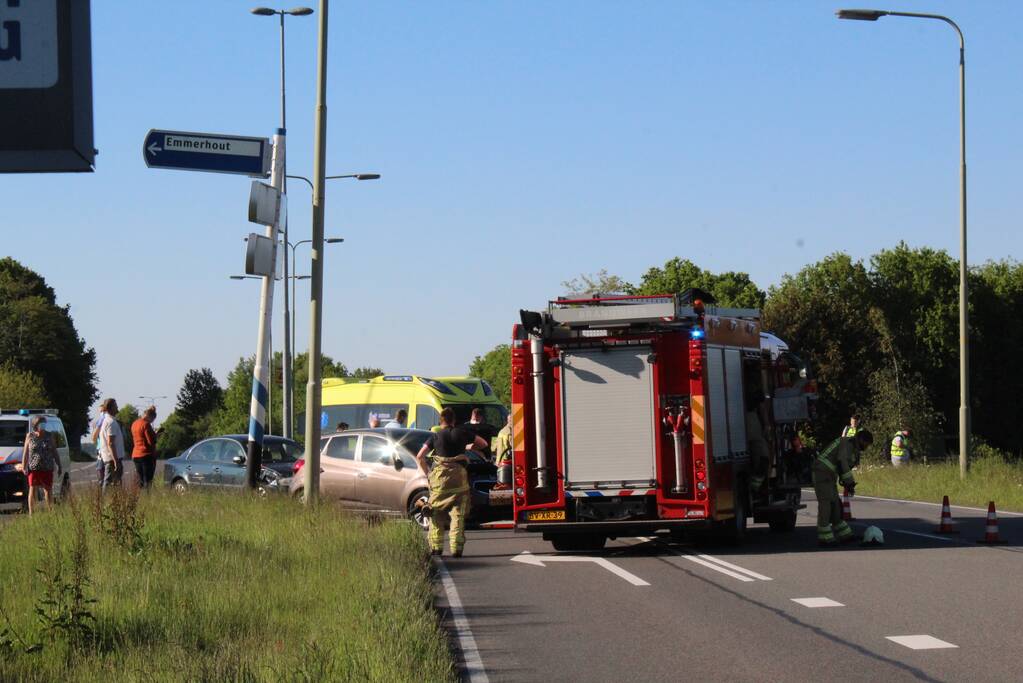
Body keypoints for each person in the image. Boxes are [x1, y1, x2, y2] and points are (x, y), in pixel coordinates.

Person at [415, 408, 488, 557]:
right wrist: (469, 447)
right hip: (459, 482)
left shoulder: (435, 436)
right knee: (458, 515)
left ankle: (436, 547)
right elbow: (484, 443)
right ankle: (456, 548)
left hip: (440, 482)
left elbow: (420, 456)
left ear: (440, 421)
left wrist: (428, 474)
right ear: (454, 420)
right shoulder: (462, 433)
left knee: (434, 513)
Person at [813, 430, 873, 547]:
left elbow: (843, 466)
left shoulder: (851, 446)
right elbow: (843, 463)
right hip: (822, 472)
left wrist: (847, 483)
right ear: (861, 440)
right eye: (866, 444)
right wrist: (849, 483)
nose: (866, 447)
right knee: (826, 504)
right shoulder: (848, 443)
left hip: (829, 475)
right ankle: (825, 538)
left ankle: (845, 535)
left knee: (836, 504)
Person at [21, 416, 60, 515]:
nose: (43, 425)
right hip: (33, 467)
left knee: (47, 490)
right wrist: (24, 466)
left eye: (44, 423)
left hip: (47, 467)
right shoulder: (30, 436)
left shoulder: (49, 435)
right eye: (41, 423)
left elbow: (54, 451)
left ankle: (51, 512)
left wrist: (59, 464)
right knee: (32, 489)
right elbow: (25, 453)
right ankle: (31, 513)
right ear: (35, 425)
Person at [745, 390, 771, 493]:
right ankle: (755, 489)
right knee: (763, 458)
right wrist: (766, 425)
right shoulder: (754, 388)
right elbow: (762, 407)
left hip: (738, 421)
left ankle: (754, 485)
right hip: (752, 420)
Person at [98, 398, 125, 490]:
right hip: (112, 459)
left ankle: (114, 500)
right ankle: (105, 500)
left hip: (111, 458)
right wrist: (116, 461)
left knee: (114, 483)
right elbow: (111, 443)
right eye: (115, 405)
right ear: (111, 408)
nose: (117, 407)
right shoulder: (111, 422)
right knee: (109, 481)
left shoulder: (108, 421)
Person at [131, 406, 159, 489]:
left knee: (140, 480)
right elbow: (150, 441)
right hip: (146, 455)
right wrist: (156, 436)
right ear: (150, 416)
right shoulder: (146, 424)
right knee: (148, 480)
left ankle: (139, 497)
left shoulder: (134, 423)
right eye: (152, 420)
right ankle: (147, 498)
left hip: (136, 454)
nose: (151, 422)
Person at [493, 413, 514, 490]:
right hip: (507, 464)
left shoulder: (501, 431)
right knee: (508, 487)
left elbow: (493, 448)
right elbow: (513, 447)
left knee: (501, 486)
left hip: (499, 463)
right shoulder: (511, 432)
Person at [89, 404, 108, 485]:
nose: (102, 414)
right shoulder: (98, 423)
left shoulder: (109, 421)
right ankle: (101, 489)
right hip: (100, 449)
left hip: (107, 449)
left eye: (103, 411)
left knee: (106, 471)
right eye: (100, 412)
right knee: (100, 470)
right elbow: (93, 439)